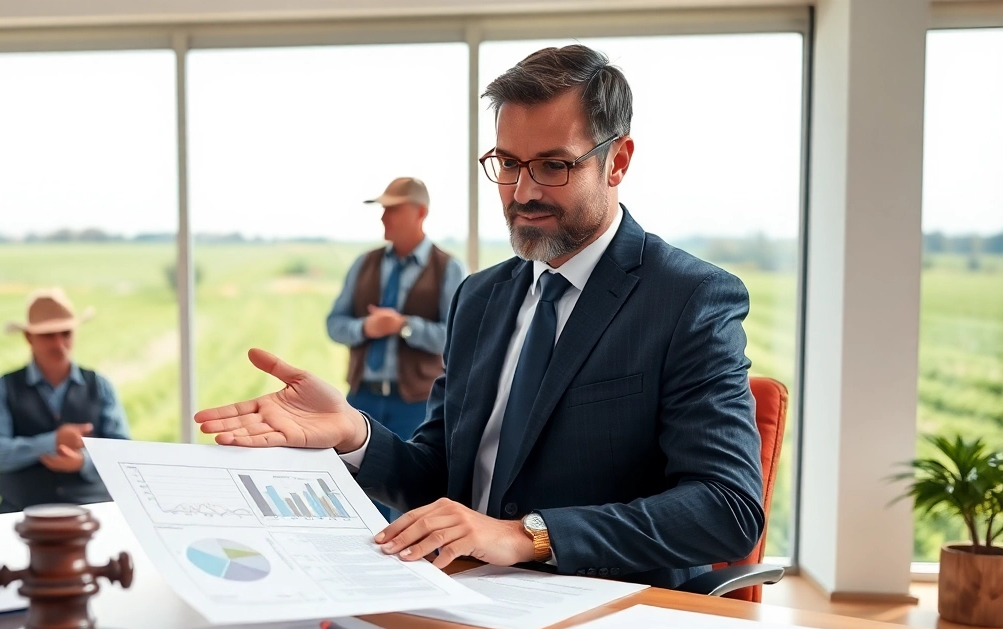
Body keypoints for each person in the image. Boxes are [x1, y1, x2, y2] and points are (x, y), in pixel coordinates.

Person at [195, 45, 764, 589]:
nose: (522, 191)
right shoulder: (479, 297)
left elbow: (727, 508)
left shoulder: (690, 298)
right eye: (509, 164)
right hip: (463, 594)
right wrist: (354, 435)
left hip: (608, 618)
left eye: (553, 166)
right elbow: (440, 475)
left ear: (617, 160)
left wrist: (526, 537)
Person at [326, 178, 465, 520]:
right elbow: (334, 324)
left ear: (420, 213)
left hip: (416, 404)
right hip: (362, 397)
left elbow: (458, 337)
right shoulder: (364, 264)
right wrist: (365, 328)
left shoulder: (449, 268)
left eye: (393, 209)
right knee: (351, 497)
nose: (384, 218)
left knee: (405, 501)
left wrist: (404, 326)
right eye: (383, 209)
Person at [0, 288, 130, 514]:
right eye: (49, 335)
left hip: (92, 514)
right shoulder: (3, 387)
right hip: (20, 516)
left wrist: (83, 462)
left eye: (66, 333)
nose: (59, 343)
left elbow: (123, 453)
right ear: (29, 337)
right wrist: (52, 442)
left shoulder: (100, 385)